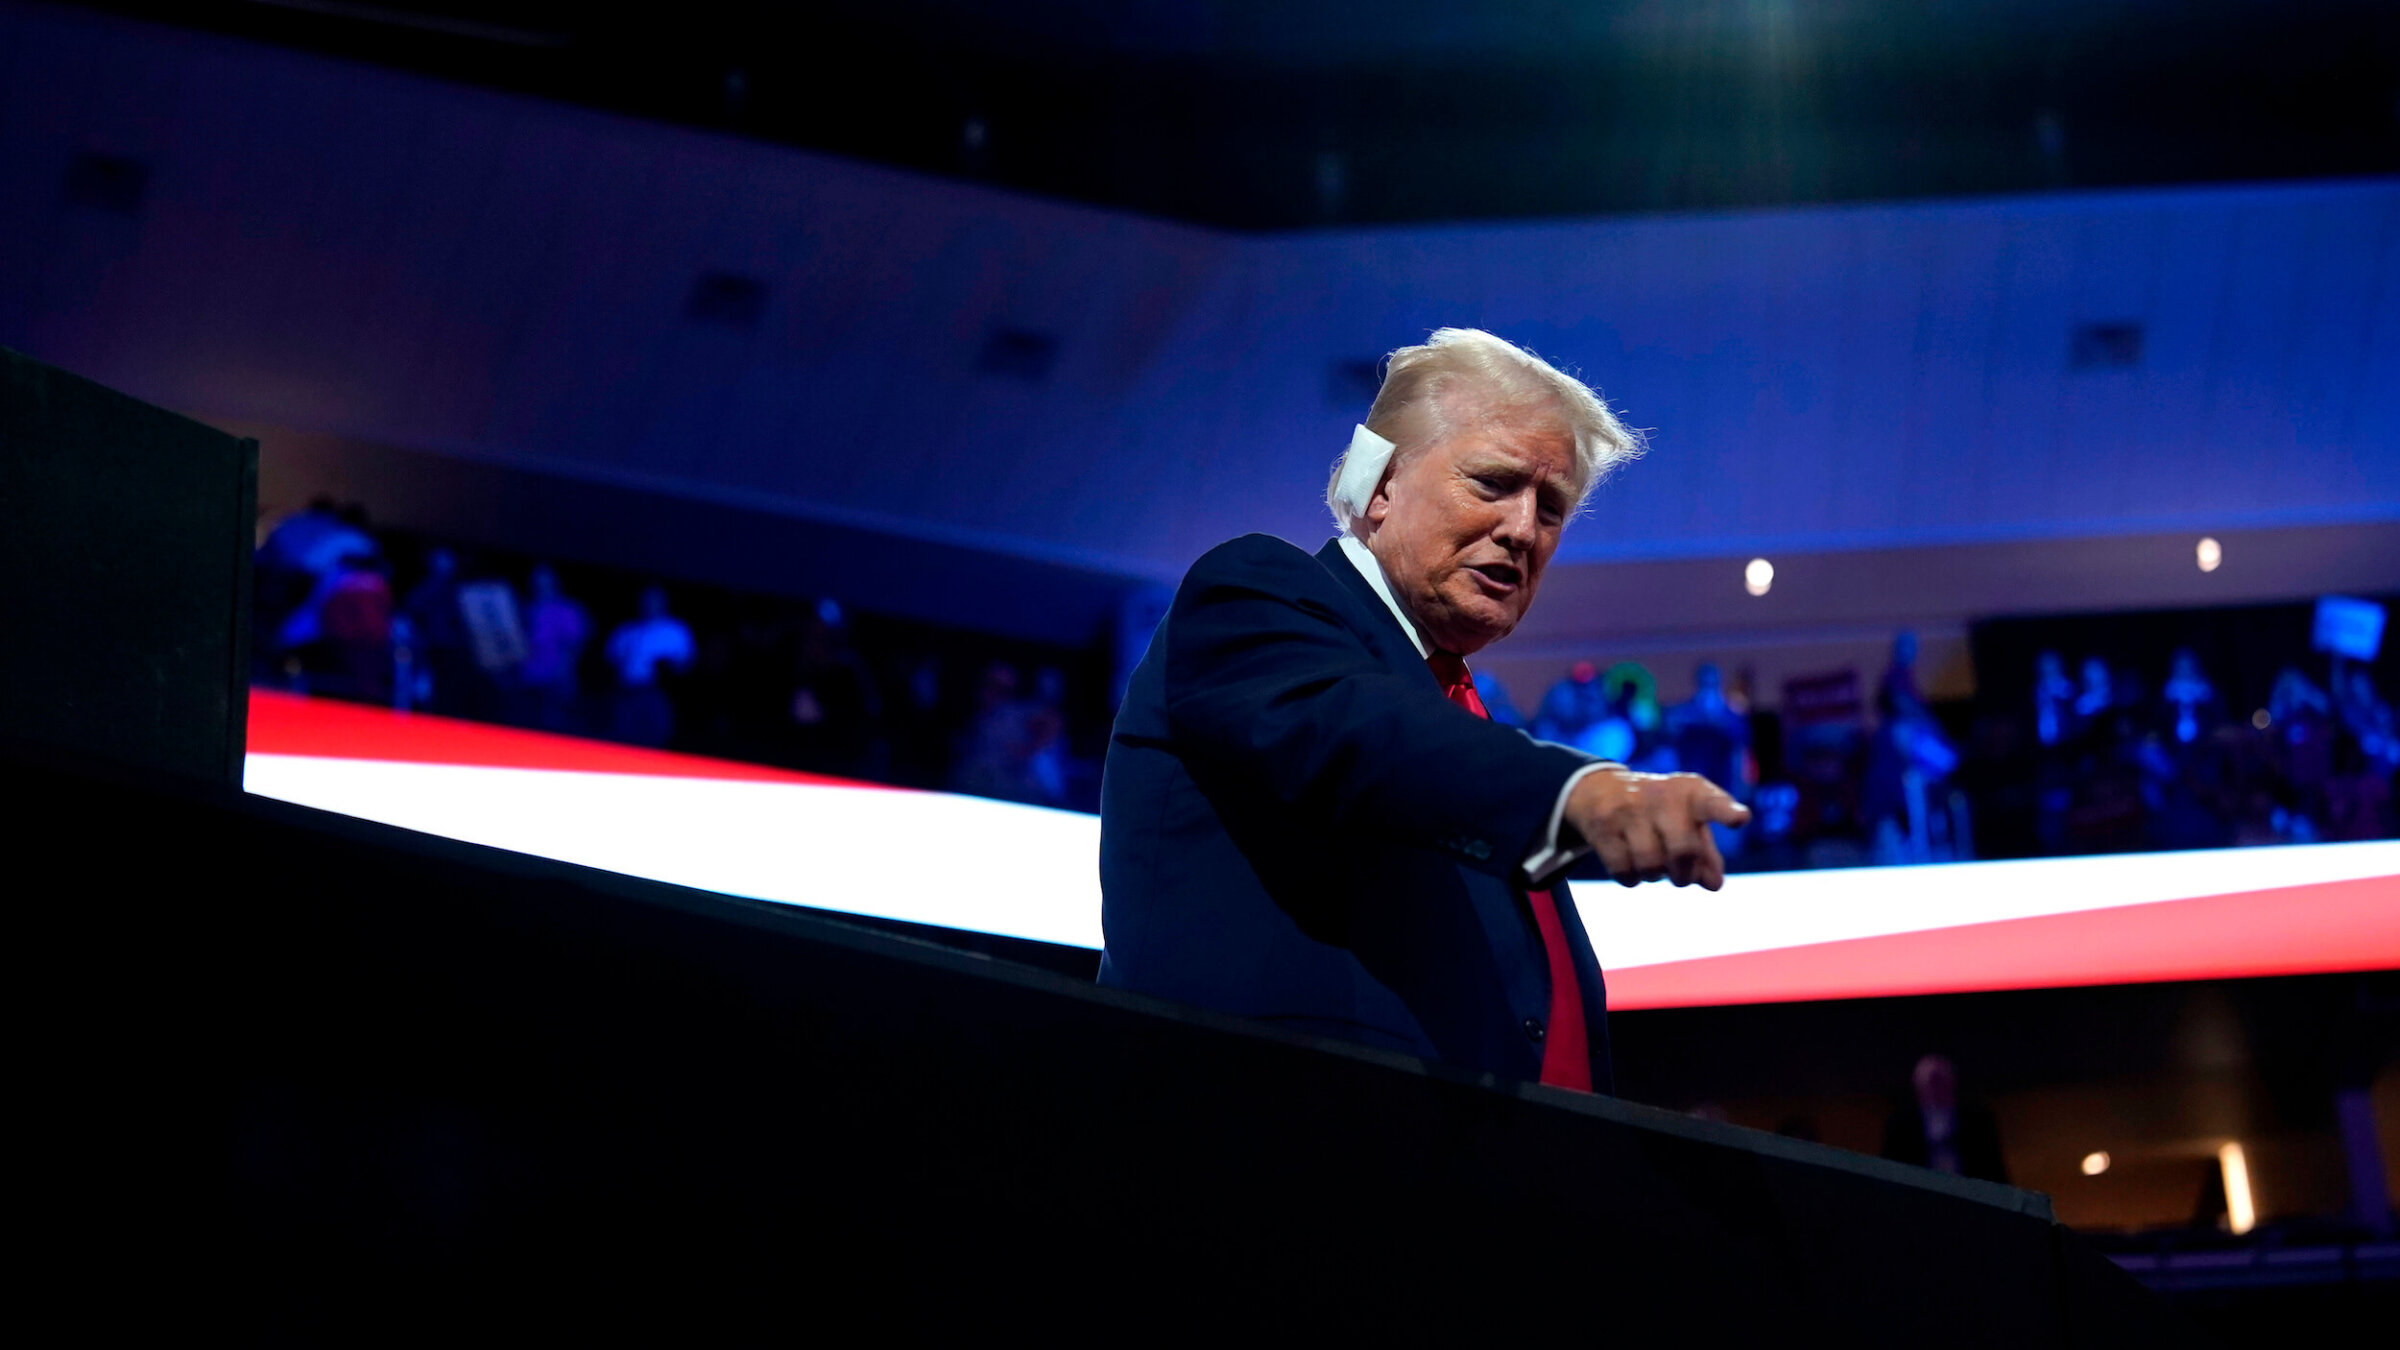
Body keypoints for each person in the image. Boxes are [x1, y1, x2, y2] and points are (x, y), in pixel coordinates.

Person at [1099, 328, 1749, 1093]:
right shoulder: (1251, 592)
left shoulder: (1468, 734)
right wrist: (1582, 793)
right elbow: (1367, 738)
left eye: (1552, 506)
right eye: (1494, 482)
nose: (1523, 529)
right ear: (1379, 486)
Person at [1881, 1054, 2009, 1184]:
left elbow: (1992, 1165)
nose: (1936, 1090)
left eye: (1941, 1082)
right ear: (1917, 1085)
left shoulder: (1979, 1121)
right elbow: (1890, 1168)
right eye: (1931, 1083)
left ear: (1952, 1082)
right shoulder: (1901, 1125)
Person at [604, 585, 694, 746]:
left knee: (654, 740)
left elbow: (685, 665)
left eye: (654, 600)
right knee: (622, 742)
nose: (649, 604)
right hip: (625, 693)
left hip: (657, 695)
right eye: (646, 600)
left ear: (664, 602)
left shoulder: (675, 630)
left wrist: (666, 668)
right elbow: (611, 660)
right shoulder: (627, 630)